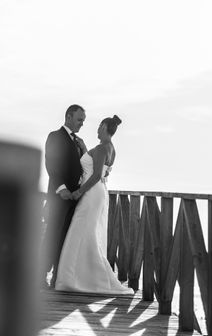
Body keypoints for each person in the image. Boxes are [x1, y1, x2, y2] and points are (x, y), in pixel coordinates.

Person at [54, 115, 134, 295]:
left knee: (81, 232)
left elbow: (96, 175)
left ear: (105, 127)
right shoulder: (111, 148)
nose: (97, 129)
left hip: (91, 193)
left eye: (99, 126)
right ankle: (80, 276)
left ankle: (75, 278)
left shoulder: (100, 148)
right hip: (99, 192)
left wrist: (78, 192)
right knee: (88, 234)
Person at [41, 104, 87, 289]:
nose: (82, 124)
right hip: (60, 196)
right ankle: (40, 275)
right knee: (52, 235)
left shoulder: (78, 141)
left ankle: (57, 278)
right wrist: (62, 189)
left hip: (75, 198)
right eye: (79, 119)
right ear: (68, 117)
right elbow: (51, 164)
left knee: (66, 237)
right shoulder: (55, 136)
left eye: (83, 120)